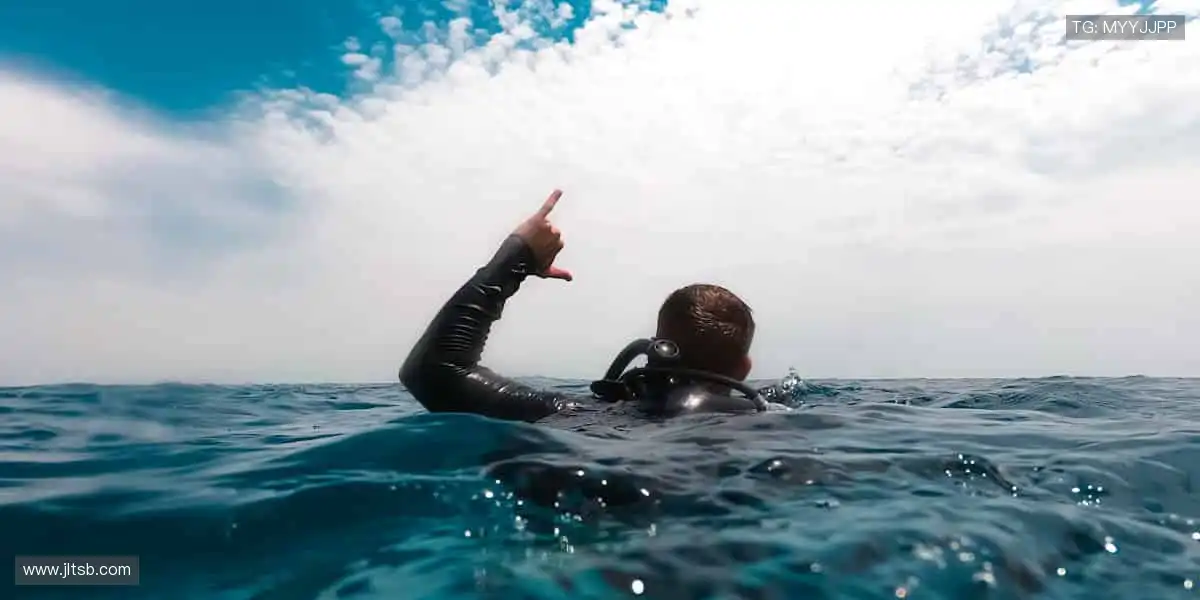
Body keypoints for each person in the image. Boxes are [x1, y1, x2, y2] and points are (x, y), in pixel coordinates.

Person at [399, 189, 766, 423]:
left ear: (654, 350)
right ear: (743, 368)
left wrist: (517, 257)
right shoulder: (768, 420)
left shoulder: (583, 415)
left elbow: (434, 372)